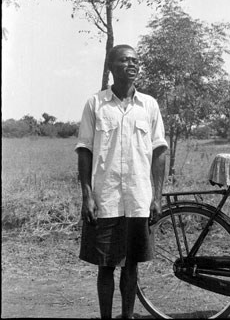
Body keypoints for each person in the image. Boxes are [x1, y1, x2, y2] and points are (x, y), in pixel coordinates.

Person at [75, 44, 168, 319]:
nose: (132, 65)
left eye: (135, 61)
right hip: (106, 198)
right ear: (111, 66)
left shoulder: (149, 105)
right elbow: (84, 150)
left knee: (132, 266)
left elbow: (159, 151)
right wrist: (87, 195)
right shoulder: (95, 104)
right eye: (125, 60)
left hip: (138, 198)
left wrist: (157, 196)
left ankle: (126, 316)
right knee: (105, 265)